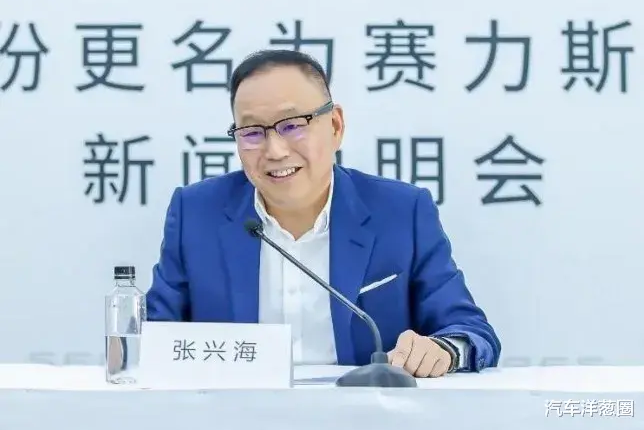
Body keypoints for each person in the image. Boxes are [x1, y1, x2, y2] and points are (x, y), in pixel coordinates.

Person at [146, 49, 501, 377]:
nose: (275, 150)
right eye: (252, 132)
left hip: (363, 414)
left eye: (292, 125)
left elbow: (470, 331)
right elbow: (153, 337)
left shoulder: (402, 212)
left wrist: (443, 350)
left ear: (335, 126)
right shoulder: (196, 213)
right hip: (235, 413)